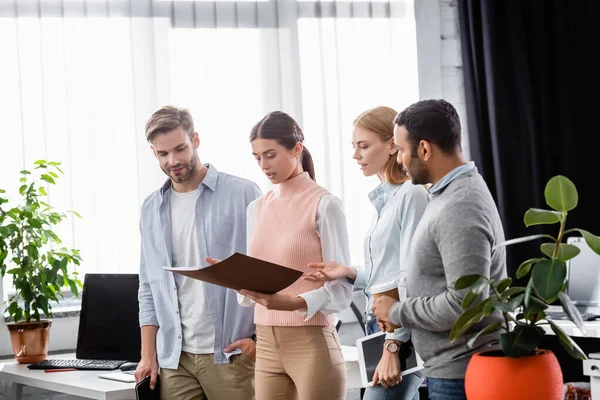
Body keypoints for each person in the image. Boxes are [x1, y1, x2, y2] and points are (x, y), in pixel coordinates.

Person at [207, 111, 352, 400]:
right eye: (257, 157)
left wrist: (293, 302)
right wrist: (234, 277)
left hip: (311, 344)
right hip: (266, 344)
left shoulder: (325, 205)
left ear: (297, 148)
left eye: (270, 155)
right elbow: (256, 288)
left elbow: (341, 290)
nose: (264, 165)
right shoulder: (257, 208)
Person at [371, 99, 507, 400]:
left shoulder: (460, 205)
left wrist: (396, 311)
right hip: (450, 370)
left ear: (424, 149)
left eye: (402, 150)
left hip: (460, 375)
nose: (401, 160)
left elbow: (465, 305)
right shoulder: (447, 195)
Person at [135, 106, 260, 400]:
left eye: (180, 149)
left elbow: (265, 273)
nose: (173, 161)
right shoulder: (151, 208)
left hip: (233, 354)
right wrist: (148, 355)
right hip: (175, 359)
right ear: (154, 153)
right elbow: (149, 288)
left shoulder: (243, 194)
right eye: (163, 154)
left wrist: (260, 341)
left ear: (196, 140)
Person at [304, 106, 428, 400]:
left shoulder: (411, 195)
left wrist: (393, 344)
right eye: (354, 146)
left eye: (363, 146)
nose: (356, 155)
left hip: (398, 329)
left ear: (391, 144)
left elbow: (409, 275)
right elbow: (386, 271)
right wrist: (350, 273)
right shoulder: (385, 198)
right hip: (382, 325)